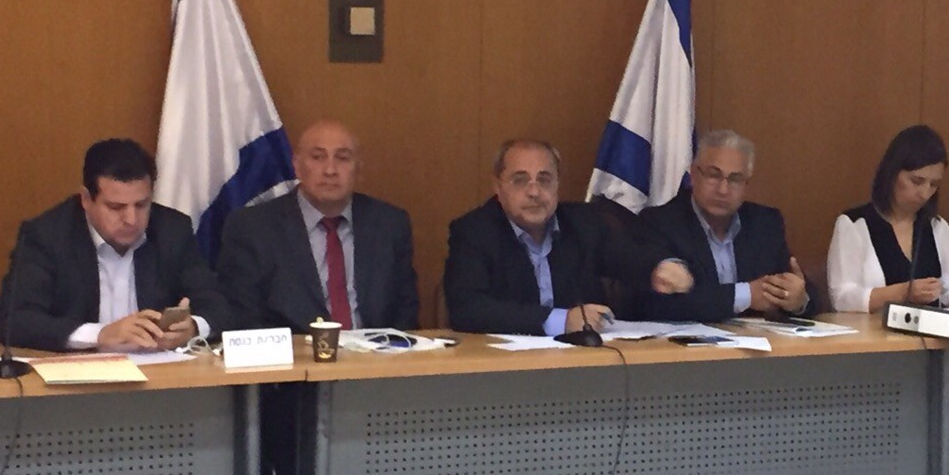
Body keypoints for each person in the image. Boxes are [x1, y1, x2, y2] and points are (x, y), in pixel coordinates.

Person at [0, 138, 229, 351]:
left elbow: (220, 306)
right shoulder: (47, 236)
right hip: (78, 376)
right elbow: (14, 322)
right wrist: (101, 334)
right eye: (116, 207)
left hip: (158, 374)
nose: (131, 220)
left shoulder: (172, 230)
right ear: (86, 199)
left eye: (141, 205)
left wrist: (194, 327)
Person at [444, 139, 693, 335]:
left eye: (544, 180)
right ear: (498, 187)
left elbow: (627, 255)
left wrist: (659, 267)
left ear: (557, 184)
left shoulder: (583, 223)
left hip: (582, 365)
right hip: (504, 368)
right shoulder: (474, 231)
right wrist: (560, 321)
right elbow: (467, 308)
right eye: (520, 180)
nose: (534, 191)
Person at [217, 120, 421, 331]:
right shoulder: (253, 228)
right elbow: (244, 317)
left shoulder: (389, 224)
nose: (330, 170)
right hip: (291, 349)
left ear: (358, 169)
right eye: (318, 157)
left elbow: (405, 313)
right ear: (297, 166)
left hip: (373, 349)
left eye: (342, 158)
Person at [636, 130, 808, 321]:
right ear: (694, 175)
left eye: (735, 179)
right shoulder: (659, 223)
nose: (723, 190)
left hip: (753, 339)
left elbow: (800, 290)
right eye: (713, 175)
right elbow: (652, 305)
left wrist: (798, 300)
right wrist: (746, 295)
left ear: (746, 185)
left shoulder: (765, 223)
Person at [827, 125, 949, 313]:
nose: (925, 193)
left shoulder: (937, 226)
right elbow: (842, 298)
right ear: (892, 174)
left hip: (931, 330)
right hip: (873, 330)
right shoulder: (854, 224)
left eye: (934, 184)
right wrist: (903, 293)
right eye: (916, 181)